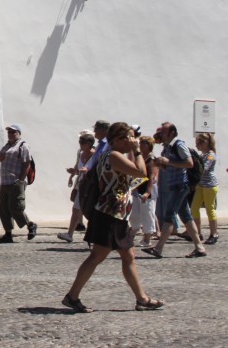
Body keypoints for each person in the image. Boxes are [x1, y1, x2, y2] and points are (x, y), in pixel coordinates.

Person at [62, 122, 163, 313]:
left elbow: (134, 176)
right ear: (117, 140)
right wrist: (138, 152)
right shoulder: (114, 156)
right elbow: (141, 173)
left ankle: (141, 298)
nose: (133, 141)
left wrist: (134, 152)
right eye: (129, 137)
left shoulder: (112, 155)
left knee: (128, 255)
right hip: (109, 214)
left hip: (116, 215)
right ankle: (72, 296)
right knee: (97, 257)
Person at [142, 122, 207, 259]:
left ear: (172, 133)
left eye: (164, 132)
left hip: (180, 185)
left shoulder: (179, 144)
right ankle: (199, 248)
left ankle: (158, 249)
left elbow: (189, 163)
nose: (161, 135)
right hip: (174, 185)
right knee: (186, 217)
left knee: (169, 215)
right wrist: (162, 164)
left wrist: (168, 162)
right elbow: (170, 167)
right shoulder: (167, 147)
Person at [0, 124, 37, 243]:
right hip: (4, 182)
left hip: (15, 181)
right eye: (9, 132)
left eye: (13, 132)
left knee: (15, 207)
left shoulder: (23, 145)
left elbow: (26, 163)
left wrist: (21, 180)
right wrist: (4, 153)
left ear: (19, 133)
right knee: (3, 208)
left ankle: (31, 225)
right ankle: (8, 234)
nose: (11, 134)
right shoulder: (7, 146)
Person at [58, 131, 96, 243]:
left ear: (89, 143)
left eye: (82, 142)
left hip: (91, 187)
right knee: (76, 209)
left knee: (90, 211)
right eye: (80, 141)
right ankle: (69, 234)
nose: (80, 144)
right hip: (81, 185)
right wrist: (72, 173)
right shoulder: (80, 153)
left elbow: (95, 170)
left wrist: (85, 170)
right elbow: (77, 167)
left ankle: (95, 234)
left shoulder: (95, 155)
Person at [129, 135, 159, 247]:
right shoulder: (140, 157)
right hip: (138, 189)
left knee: (148, 213)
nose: (140, 145)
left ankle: (147, 238)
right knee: (135, 213)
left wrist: (147, 192)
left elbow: (152, 177)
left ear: (149, 145)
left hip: (148, 190)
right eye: (140, 142)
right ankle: (133, 231)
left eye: (143, 143)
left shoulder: (152, 159)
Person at [191, 133, 219, 245]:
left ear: (207, 143)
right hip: (201, 185)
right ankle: (198, 232)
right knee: (194, 208)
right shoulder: (202, 155)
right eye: (197, 142)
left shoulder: (211, 155)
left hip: (210, 185)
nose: (198, 145)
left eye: (200, 142)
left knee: (209, 209)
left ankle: (214, 233)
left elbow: (204, 168)